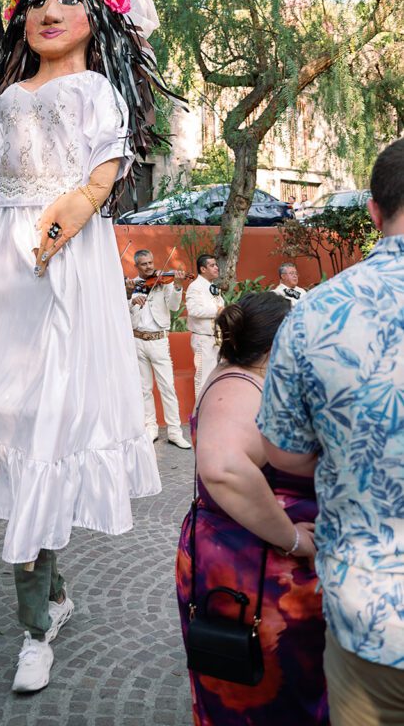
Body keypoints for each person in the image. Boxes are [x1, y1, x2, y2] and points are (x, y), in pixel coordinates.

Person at [0, 0, 179, 693]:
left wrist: (74, 209)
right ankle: (50, 594)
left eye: (66, 0)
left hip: (66, 259)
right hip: (7, 267)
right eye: (36, 2)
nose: (48, 11)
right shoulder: (5, 100)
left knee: (51, 423)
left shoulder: (98, 91)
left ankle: (36, 624)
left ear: (98, 19)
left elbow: (105, 171)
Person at [258, 138, 404, 726]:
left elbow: (282, 450)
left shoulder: (315, 313)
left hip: (370, 615)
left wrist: (351, 453)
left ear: (373, 210)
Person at [176, 292, 328, 725]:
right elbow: (223, 468)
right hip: (253, 563)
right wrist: (293, 538)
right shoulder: (240, 388)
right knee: (269, 693)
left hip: (243, 555)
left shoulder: (242, 376)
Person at [128, 249, 190, 448]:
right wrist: (130, 298)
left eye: (150, 262)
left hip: (158, 341)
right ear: (136, 266)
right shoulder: (131, 285)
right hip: (137, 340)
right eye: (144, 264)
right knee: (144, 388)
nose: (149, 267)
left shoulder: (165, 282)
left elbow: (174, 307)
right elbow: (121, 311)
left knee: (167, 387)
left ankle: (175, 431)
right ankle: (151, 427)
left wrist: (178, 284)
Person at [185, 254, 224, 401]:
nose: (216, 268)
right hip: (203, 339)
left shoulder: (212, 287)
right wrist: (218, 311)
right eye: (212, 265)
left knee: (217, 378)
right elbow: (193, 310)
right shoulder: (195, 287)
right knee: (203, 378)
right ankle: (200, 413)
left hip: (217, 338)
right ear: (203, 269)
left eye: (216, 265)